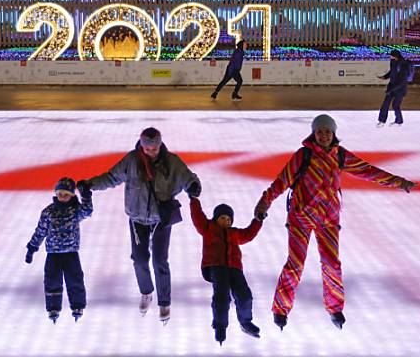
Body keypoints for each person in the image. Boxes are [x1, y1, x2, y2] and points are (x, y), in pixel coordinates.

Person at [254, 114, 417, 331]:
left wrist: (399, 182)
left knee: (332, 264)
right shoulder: (303, 155)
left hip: (328, 219)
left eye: (327, 132)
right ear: (314, 133)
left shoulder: (340, 155)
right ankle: (280, 309)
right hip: (301, 217)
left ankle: (334, 308)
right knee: (295, 264)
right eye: (320, 131)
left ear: (334, 134)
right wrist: (264, 202)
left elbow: (368, 171)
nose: (323, 136)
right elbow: (282, 181)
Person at [79, 127, 200, 324]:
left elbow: (188, 177)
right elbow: (111, 177)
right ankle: (146, 292)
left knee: (160, 260)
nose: (152, 152)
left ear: (160, 144)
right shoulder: (131, 161)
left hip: (161, 218)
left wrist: (194, 186)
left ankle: (164, 301)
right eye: (148, 149)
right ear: (142, 146)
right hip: (137, 219)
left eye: (156, 148)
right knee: (139, 259)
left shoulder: (171, 161)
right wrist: (90, 184)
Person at [189, 197, 262, 344]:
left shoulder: (234, 233)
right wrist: (194, 200)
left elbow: (248, 234)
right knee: (222, 298)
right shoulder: (208, 228)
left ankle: (245, 322)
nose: (226, 221)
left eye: (229, 219)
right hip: (217, 267)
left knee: (245, 296)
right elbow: (198, 218)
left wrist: (258, 220)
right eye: (222, 218)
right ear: (215, 218)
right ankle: (220, 325)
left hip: (235, 268)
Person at [25, 177, 94, 323]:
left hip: (71, 253)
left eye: (66, 194)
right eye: (60, 194)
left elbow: (87, 211)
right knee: (52, 281)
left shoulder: (75, 210)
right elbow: (41, 231)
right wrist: (32, 247)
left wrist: (86, 194)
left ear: (72, 195)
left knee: (75, 280)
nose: (62, 197)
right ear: (56, 193)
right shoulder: (48, 212)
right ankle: (53, 307)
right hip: (53, 254)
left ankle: (77, 306)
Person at [377, 49, 411, 127]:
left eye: (392, 56)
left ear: (396, 56)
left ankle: (399, 121)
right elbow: (391, 72)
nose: (391, 57)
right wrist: (385, 77)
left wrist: (392, 89)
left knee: (395, 105)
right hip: (392, 86)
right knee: (385, 104)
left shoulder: (403, 65)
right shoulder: (393, 62)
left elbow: (402, 81)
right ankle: (382, 121)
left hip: (400, 88)